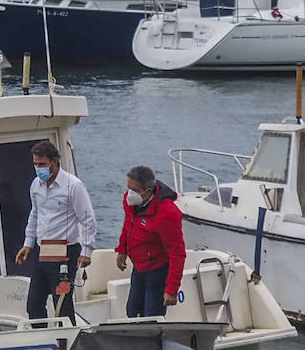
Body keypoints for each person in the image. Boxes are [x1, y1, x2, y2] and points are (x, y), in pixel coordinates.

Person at [14, 139, 98, 324]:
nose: (38, 168)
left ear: (54, 162)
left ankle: (67, 345)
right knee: (34, 304)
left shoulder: (73, 186)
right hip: (42, 250)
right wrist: (28, 244)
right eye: (35, 164)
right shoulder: (36, 185)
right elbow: (35, 215)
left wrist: (87, 251)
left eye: (42, 164)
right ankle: (43, 340)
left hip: (65, 252)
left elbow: (88, 219)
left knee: (62, 304)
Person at [115, 165, 186, 318]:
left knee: (152, 317)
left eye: (134, 190)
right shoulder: (130, 202)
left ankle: (154, 340)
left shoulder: (168, 213)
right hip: (139, 267)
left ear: (147, 191)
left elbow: (178, 253)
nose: (129, 194)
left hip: (158, 270)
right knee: (132, 311)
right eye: (128, 188)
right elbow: (128, 225)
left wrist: (171, 290)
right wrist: (122, 250)